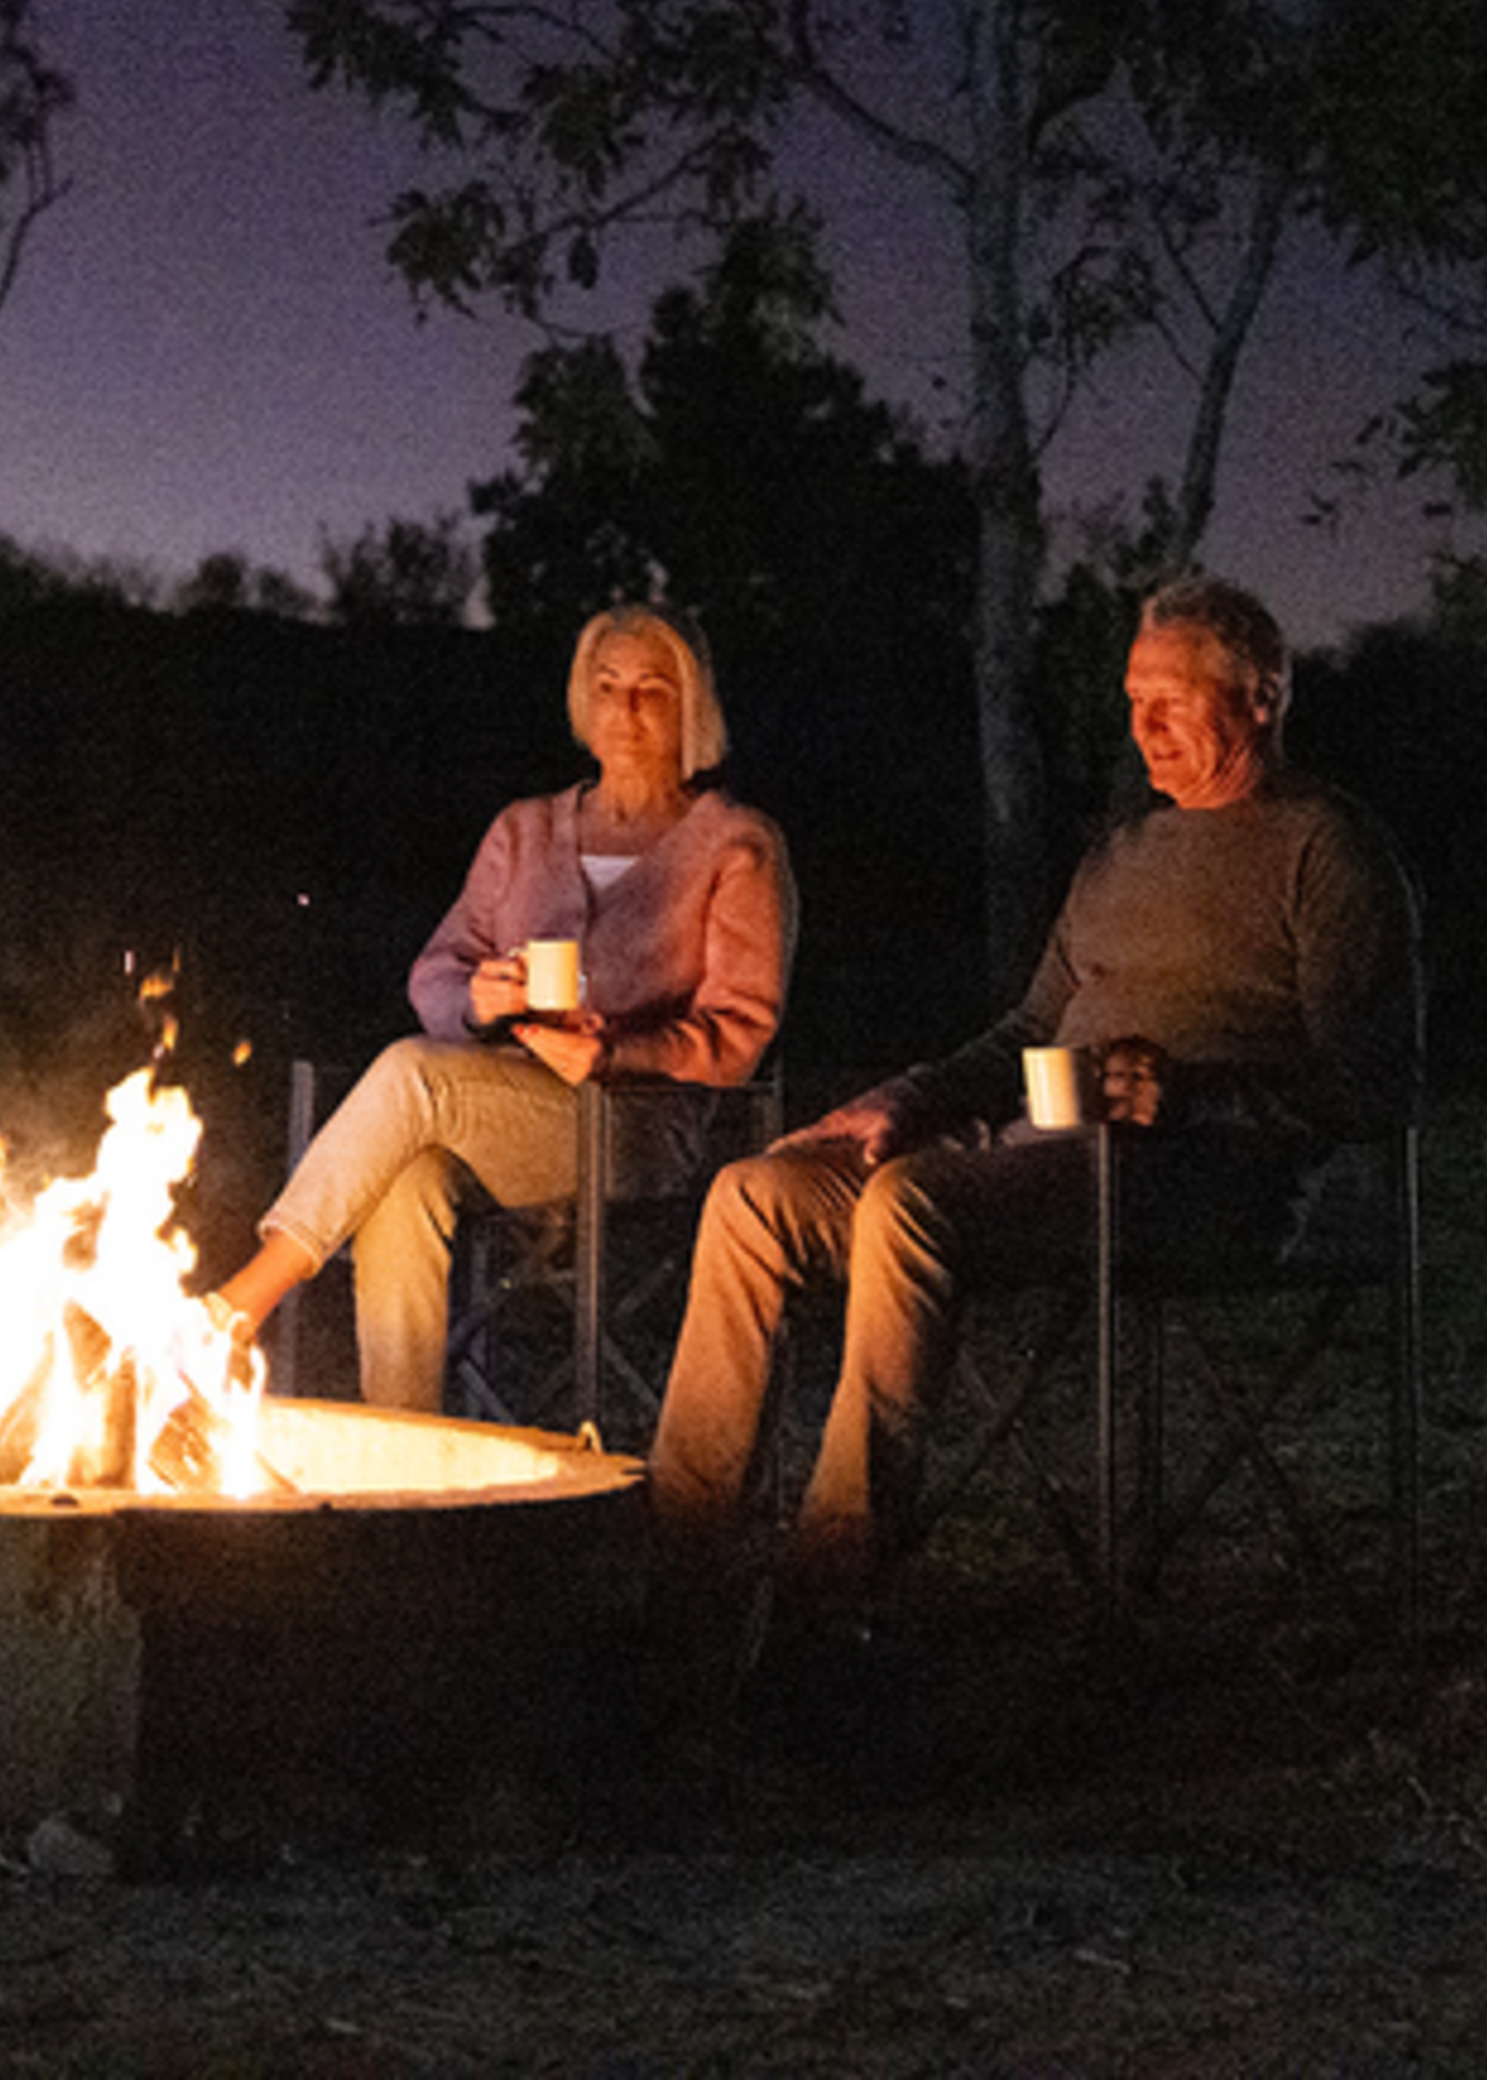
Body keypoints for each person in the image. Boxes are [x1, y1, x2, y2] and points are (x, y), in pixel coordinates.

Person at [645, 572, 1417, 1629]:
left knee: (913, 1206)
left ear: (1261, 696)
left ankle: (831, 1585)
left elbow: (1371, 1088)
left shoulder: (1327, 850)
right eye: (1132, 701)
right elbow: (1030, 1030)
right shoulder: (1122, 853)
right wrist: (907, 1095)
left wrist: (1189, 1095)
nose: (1142, 728)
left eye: (1169, 703)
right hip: (1032, 1161)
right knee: (753, 1196)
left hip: (1200, 1186)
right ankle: (675, 1558)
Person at [201, 603, 796, 1409]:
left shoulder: (736, 845)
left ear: (691, 706)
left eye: (651, 691)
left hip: (636, 1126)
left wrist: (617, 1054)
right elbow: (438, 972)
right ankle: (404, 1469)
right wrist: (477, 1003)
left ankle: (234, 1310)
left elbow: (740, 1033)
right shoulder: (522, 833)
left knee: (416, 1073)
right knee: (407, 1179)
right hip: (498, 1109)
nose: (624, 710)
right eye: (607, 685)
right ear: (581, 700)